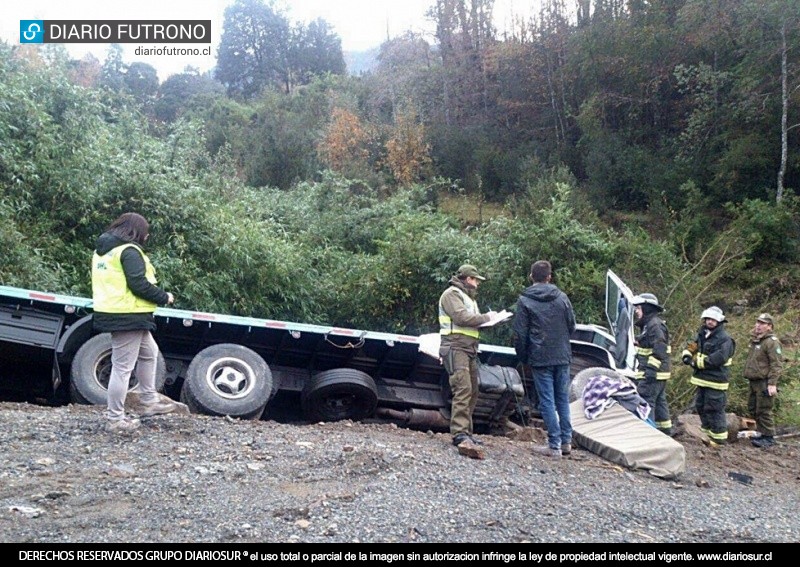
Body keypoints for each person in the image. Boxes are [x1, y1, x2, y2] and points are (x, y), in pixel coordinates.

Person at [92, 212, 175, 434]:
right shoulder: (128, 251)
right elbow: (138, 284)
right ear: (137, 231)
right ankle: (115, 419)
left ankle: (148, 399)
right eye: (145, 233)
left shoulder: (104, 251)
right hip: (127, 315)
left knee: (149, 353)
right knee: (122, 368)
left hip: (121, 313)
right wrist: (163, 297)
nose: (146, 237)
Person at [513, 260, 576, 458]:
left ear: (531, 276)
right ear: (549, 277)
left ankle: (553, 445)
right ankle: (566, 442)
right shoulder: (562, 298)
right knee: (562, 399)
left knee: (547, 401)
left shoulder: (524, 300)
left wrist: (523, 356)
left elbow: (519, 334)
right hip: (562, 356)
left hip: (540, 358)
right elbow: (572, 325)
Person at [438, 264, 496, 450]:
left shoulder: (467, 298)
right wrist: (488, 318)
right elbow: (462, 318)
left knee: (472, 391)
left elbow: (470, 321)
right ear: (468, 279)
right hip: (456, 347)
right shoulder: (451, 294)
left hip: (468, 348)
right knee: (463, 389)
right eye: (476, 280)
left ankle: (466, 433)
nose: (477, 284)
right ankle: (459, 434)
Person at [681, 306, 736, 448]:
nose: (710, 322)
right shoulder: (702, 333)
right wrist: (687, 354)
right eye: (708, 319)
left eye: (713, 320)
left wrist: (696, 362)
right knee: (701, 406)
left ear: (719, 321)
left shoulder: (725, 339)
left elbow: (719, 358)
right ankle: (707, 434)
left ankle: (718, 441)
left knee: (714, 409)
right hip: (702, 380)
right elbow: (693, 345)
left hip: (716, 382)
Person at [631, 293, 673, 435]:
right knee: (660, 403)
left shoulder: (654, 326)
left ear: (646, 308)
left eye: (638, 308)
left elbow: (659, 348)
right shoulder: (651, 325)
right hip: (658, 374)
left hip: (653, 373)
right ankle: (664, 431)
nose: (636, 311)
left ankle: (647, 433)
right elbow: (651, 343)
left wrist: (650, 369)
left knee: (646, 402)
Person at [743, 313, 783, 448]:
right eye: (757, 322)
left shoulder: (771, 342)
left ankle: (768, 437)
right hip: (753, 381)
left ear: (769, 327)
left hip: (764, 382)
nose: (758, 325)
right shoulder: (756, 341)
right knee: (753, 407)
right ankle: (761, 432)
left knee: (764, 409)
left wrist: (772, 383)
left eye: (762, 323)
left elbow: (776, 364)